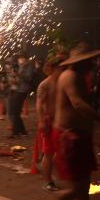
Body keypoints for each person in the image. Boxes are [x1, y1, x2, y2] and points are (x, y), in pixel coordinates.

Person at [50, 44, 100, 200]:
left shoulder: (77, 76)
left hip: (77, 136)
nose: (94, 63)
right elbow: (77, 103)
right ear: (82, 61)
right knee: (79, 189)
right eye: (91, 60)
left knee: (81, 189)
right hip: (70, 137)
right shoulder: (70, 76)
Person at [36, 53, 68, 192]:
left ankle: (51, 172)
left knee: (61, 151)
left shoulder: (64, 82)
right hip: (49, 122)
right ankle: (47, 181)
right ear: (54, 68)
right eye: (62, 67)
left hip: (62, 122)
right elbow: (39, 104)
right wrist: (42, 120)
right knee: (49, 153)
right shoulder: (45, 84)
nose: (64, 69)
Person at [8, 52, 33, 138]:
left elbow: (28, 78)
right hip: (16, 89)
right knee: (15, 112)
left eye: (22, 57)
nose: (20, 59)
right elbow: (18, 79)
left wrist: (18, 74)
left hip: (22, 91)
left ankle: (15, 133)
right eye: (19, 58)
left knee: (15, 112)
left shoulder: (29, 66)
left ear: (25, 58)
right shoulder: (19, 66)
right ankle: (22, 131)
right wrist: (14, 79)